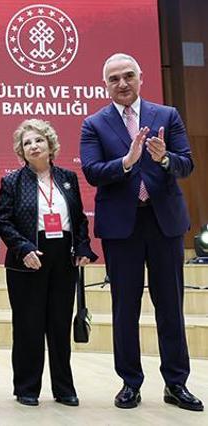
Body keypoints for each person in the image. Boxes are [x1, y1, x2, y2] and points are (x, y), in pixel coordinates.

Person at [80, 53, 202, 411]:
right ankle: (130, 383)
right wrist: (126, 162)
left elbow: (186, 164)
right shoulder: (94, 123)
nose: (122, 83)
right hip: (122, 228)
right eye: (114, 78)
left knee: (171, 306)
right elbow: (92, 172)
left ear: (140, 77)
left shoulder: (167, 115)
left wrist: (164, 158)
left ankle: (176, 383)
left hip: (164, 223)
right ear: (105, 84)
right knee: (125, 307)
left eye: (128, 76)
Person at [0, 119, 97, 407]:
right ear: (21, 151)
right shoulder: (12, 182)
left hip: (63, 257)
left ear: (50, 145)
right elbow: (3, 221)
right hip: (27, 259)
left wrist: (83, 246)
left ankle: (64, 388)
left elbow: (79, 219)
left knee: (59, 324)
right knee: (28, 326)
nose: (33, 146)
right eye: (27, 143)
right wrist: (23, 248)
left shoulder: (68, 178)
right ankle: (27, 388)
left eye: (38, 140)